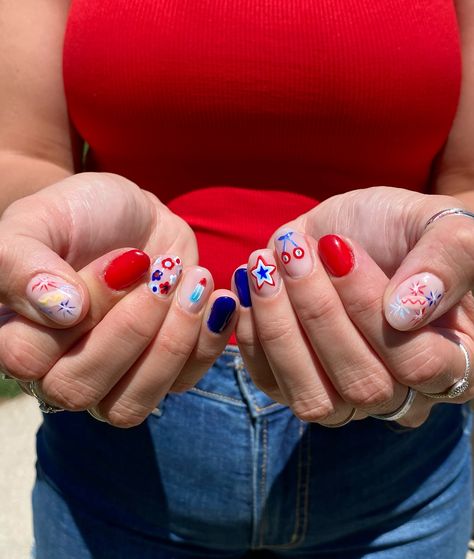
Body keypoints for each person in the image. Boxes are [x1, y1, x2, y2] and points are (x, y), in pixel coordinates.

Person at [1, 0, 474, 557]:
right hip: (118, 432)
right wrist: (49, 238)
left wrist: (449, 256)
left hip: (398, 458)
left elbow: (466, 183)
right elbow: (23, 152)